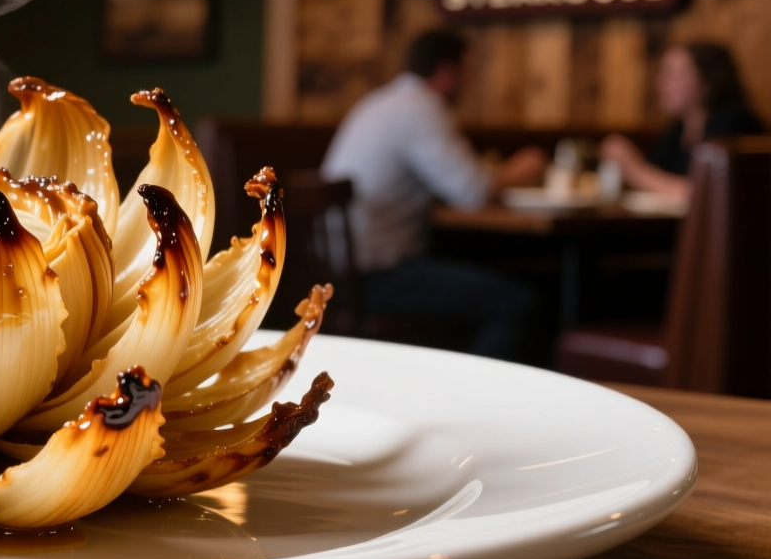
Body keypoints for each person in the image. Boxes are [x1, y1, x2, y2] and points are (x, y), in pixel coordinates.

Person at [321, 30, 548, 361]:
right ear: (446, 72)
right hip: (373, 279)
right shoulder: (421, 108)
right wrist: (522, 168)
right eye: (468, 71)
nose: (469, 82)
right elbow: (471, 191)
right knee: (515, 303)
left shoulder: (379, 102)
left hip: (334, 273)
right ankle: (473, 402)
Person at [600, 43, 764, 199]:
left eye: (674, 74)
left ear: (709, 81)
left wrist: (632, 168)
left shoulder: (735, 122)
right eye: (663, 73)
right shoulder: (678, 129)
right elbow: (657, 172)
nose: (661, 83)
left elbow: (704, 196)